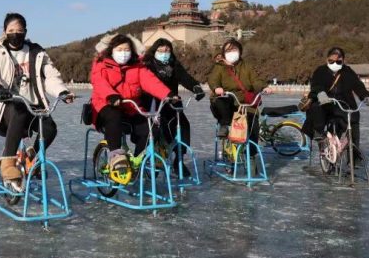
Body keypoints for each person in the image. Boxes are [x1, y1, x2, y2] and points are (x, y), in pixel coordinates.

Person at [0, 13, 74, 193]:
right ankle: (8, 162)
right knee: (19, 110)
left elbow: (50, 76)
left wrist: (61, 91)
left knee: (49, 129)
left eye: (19, 31)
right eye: (11, 31)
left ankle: (32, 155)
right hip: (7, 106)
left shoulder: (36, 53)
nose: (15, 34)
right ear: (4, 31)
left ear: (25, 32)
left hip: (34, 105)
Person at [90, 34, 173, 182]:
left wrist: (167, 94)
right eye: (119, 49)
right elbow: (99, 82)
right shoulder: (102, 64)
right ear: (112, 50)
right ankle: (116, 156)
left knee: (150, 127)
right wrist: (111, 95)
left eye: (127, 49)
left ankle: (137, 161)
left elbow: (150, 82)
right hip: (106, 105)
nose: (123, 53)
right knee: (113, 117)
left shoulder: (138, 66)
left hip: (130, 107)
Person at [140, 38, 205, 176]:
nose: (164, 53)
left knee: (183, 127)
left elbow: (185, 77)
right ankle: (152, 161)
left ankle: (179, 159)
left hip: (173, 104)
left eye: (167, 50)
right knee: (157, 131)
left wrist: (196, 87)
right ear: (154, 51)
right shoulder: (147, 65)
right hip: (153, 104)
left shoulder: (173, 64)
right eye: (161, 51)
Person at [302, 47, 369, 159]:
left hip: (343, 104)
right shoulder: (320, 71)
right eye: (331, 61)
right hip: (325, 104)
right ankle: (319, 132)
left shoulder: (347, 71)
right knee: (316, 109)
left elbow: (358, 85)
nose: (335, 63)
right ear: (327, 59)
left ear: (343, 61)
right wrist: (321, 94)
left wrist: (365, 96)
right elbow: (316, 85)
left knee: (354, 118)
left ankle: (354, 155)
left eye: (338, 61)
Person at [208, 39, 268, 150]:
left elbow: (256, 80)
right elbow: (213, 79)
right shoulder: (220, 67)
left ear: (240, 51)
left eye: (234, 49)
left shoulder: (247, 66)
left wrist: (263, 87)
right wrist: (217, 88)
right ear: (224, 53)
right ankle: (225, 126)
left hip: (245, 105)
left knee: (253, 125)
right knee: (224, 101)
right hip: (227, 102)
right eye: (228, 50)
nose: (231, 52)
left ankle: (252, 156)